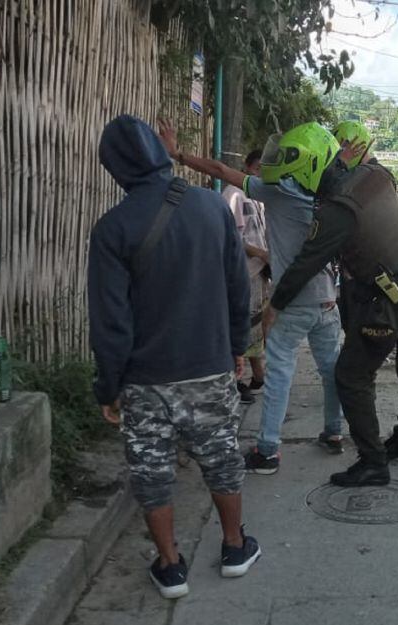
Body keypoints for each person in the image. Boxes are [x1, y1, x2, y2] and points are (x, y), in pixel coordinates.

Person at [88, 115, 262, 600]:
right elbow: (237, 289)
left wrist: (109, 387)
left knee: (152, 472)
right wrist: (234, 350)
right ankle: (234, 547)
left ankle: (170, 567)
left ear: (115, 166)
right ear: (158, 152)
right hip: (209, 366)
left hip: (145, 381)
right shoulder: (211, 209)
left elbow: (111, 324)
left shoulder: (112, 229)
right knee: (221, 459)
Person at [158, 121, 345, 474]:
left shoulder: (277, 191)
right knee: (330, 369)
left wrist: (178, 153)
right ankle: (334, 433)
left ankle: (268, 451)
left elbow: (221, 171)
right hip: (327, 298)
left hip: (294, 301)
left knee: (278, 375)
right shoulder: (325, 198)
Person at [261, 122, 398, 487]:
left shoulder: (336, 211)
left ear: (310, 169)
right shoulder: (373, 174)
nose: (294, 186)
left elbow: (305, 263)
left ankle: (373, 461)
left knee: (351, 375)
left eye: (294, 178)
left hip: (394, 294)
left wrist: (274, 306)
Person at [223, 149, 270, 405]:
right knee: (244, 324)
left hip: (259, 271)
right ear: (250, 168)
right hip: (244, 271)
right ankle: (238, 381)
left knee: (256, 325)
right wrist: (261, 253)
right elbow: (233, 238)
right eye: (259, 169)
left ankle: (256, 374)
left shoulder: (258, 198)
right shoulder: (234, 195)